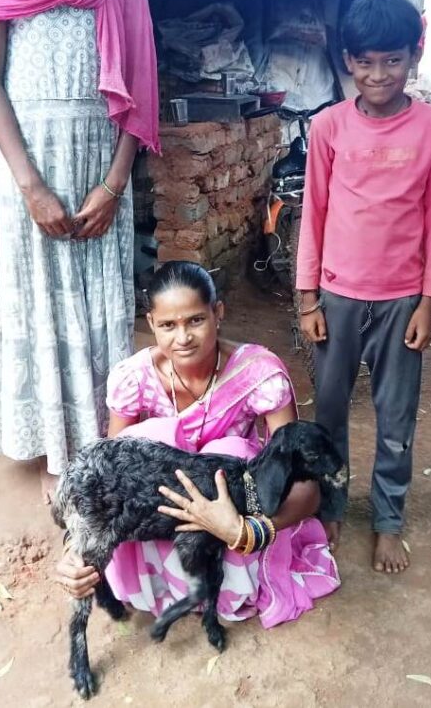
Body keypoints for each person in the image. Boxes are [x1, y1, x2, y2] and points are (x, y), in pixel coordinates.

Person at [0, 0, 159, 501]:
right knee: (43, 303)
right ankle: (58, 453)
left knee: (99, 299)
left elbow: (139, 83)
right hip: (30, 159)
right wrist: (30, 185)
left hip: (101, 158)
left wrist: (114, 185)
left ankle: (101, 441)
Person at [56, 261, 339, 627]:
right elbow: (104, 480)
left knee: (233, 454)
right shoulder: (133, 378)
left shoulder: (258, 375)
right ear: (151, 323)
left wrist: (245, 531)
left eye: (195, 320)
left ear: (218, 313)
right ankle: (158, 584)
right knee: (150, 438)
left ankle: (226, 585)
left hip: (232, 508)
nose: (183, 338)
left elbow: (305, 488)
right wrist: (73, 551)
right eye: (168, 325)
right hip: (163, 509)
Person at [296, 0, 431, 574]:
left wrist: (428, 303)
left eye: (392, 60)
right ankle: (331, 504)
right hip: (336, 297)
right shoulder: (328, 126)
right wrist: (307, 298)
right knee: (329, 413)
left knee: (396, 417)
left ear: (414, 55)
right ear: (348, 61)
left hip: (401, 301)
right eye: (364, 62)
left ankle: (388, 519)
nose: (378, 75)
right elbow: (313, 214)